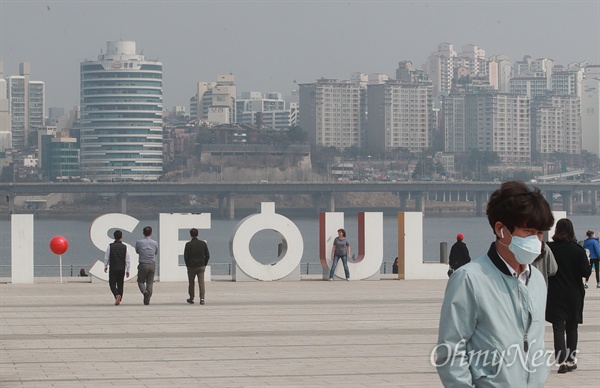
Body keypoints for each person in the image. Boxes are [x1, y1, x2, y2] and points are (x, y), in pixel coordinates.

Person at [435, 181, 555, 386]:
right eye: (528, 231)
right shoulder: (469, 279)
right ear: (500, 229)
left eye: (540, 233)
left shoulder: (537, 280)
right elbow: (450, 352)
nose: (536, 240)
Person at [546, 219, 592, 373]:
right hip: (574, 294)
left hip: (555, 293)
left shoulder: (549, 248)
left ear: (556, 230)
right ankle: (571, 360)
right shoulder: (578, 250)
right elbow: (586, 272)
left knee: (558, 328)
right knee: (572, 328)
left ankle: (561, 362)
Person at [103, 230, 130, 306]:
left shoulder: (110, 246)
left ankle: (116, 295)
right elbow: (127, 259)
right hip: (122, 268)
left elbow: (106, 257)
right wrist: (128, 269)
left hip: (113, 268)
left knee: (112, 284)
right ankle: (119, 297)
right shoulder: (125, 247)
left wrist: (105, 266)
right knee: (120, 284)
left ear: (114, 237)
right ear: (121, 237)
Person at [184, 228, 210, 305]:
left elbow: (186, 257)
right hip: (201, 266)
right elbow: (208, 255)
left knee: (191, 283)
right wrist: (204, 264)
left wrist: (188, 265)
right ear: (198, 234)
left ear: (190, 235)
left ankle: (191, 297)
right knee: (201, 283)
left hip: (191, 266)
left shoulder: (188, 244)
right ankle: (202, 298)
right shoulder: (203, 243)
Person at [135, 226, 158, 305]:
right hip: (152, 264)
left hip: (143, 264)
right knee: (150, 282)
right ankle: (147, 298)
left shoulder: (139, 242)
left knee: (140, 281)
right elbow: (156, 252)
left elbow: (137, 251)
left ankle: (145, 292)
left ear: (143, 233)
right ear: (151, 233)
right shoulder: (154, 243)